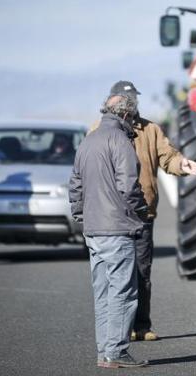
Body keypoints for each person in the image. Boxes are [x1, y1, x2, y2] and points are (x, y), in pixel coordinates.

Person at [91, 81, 196, 341]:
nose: (131, 102)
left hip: (143, 213)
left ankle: (141, 325)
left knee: (142, 271)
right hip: (112, 215)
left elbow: (167, 156)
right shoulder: (97, 130)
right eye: (126, 98)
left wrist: (181, 163)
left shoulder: (151, 130)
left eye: (133, 98)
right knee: (114, 274)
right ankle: (118, 328)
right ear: (112, 101)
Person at [70, 93, 149, 369]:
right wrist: (141, 212)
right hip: (117, 229)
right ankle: (116, 351)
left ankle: (105, 351)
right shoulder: (120, 141)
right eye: (134, 117)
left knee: (102, 292)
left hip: (93, 230)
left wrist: (82, 217)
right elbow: (129, 186)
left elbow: (76, 186)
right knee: (124, 292)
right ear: (126, 115)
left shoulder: (88, 141)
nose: (134, 122)